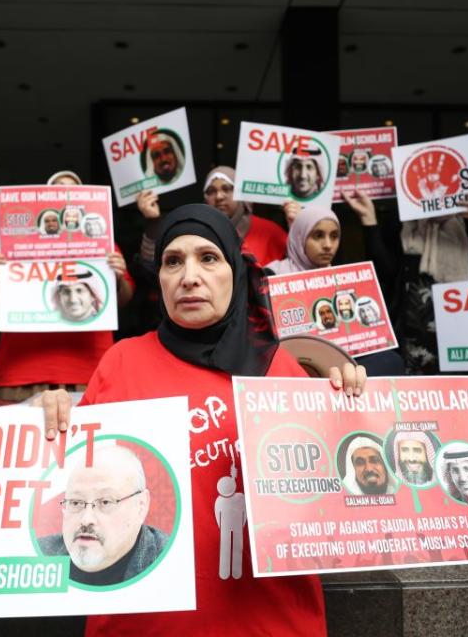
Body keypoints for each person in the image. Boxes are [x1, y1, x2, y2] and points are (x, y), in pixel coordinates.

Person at [34, 204, 365, 635]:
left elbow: (336, 502)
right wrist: (51, 422)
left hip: (271, 624)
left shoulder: (281, 370)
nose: (189, 276)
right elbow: (72, 484)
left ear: (236, 271)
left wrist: (351, 410)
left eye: (208, 258)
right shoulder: (120, 362)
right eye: (173, 261)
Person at [0, 172, 135, 405]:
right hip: (21, 369)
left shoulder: (104, 243)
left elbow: (124, 297)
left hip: (88, 369)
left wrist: (119, 277)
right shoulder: (15, 244)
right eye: (59, 189)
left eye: (73, 191)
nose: (65, 195)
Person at [344, 189, 468, 374]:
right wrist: (369, 219)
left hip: (460, 338)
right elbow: (385, 273)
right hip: (411, 337)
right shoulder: (403, 222)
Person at [266, 204, 405, 376]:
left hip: (341, 357)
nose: (327, 245)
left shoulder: (345, 280)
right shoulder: (272, 275)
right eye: (318, 236)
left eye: (334, 236)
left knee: (391, 361)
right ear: (300, 236)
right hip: (295, 359)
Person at [37, 445, 167, 586]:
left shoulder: (172, 563)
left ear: (141, 506)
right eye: (75, 502)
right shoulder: (39, 556)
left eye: (105, 502)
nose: (86, 520)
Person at [137, 166, 287, 267]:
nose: (219, 196)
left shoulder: (269, 231)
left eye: (227, 189)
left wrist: (295, 224)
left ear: (240, 194)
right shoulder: (194, 231)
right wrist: (153, 222)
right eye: (211, 191)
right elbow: (154, 266)